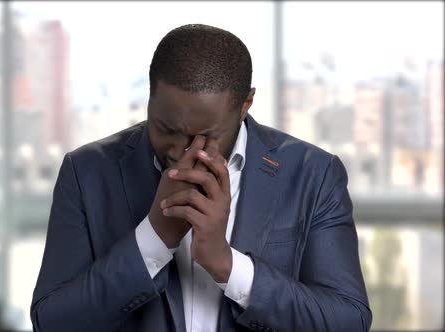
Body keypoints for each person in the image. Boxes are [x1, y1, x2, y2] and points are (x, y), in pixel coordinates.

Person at [31, 24, 372, 332]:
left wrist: (227, 264)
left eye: (205, 135)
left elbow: (348, 320)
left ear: (245, 104)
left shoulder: (314, 174)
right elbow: (51, 321)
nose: (181, 152)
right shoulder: (86, 172)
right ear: (149, 97)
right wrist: (153, 239)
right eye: (165, 128)